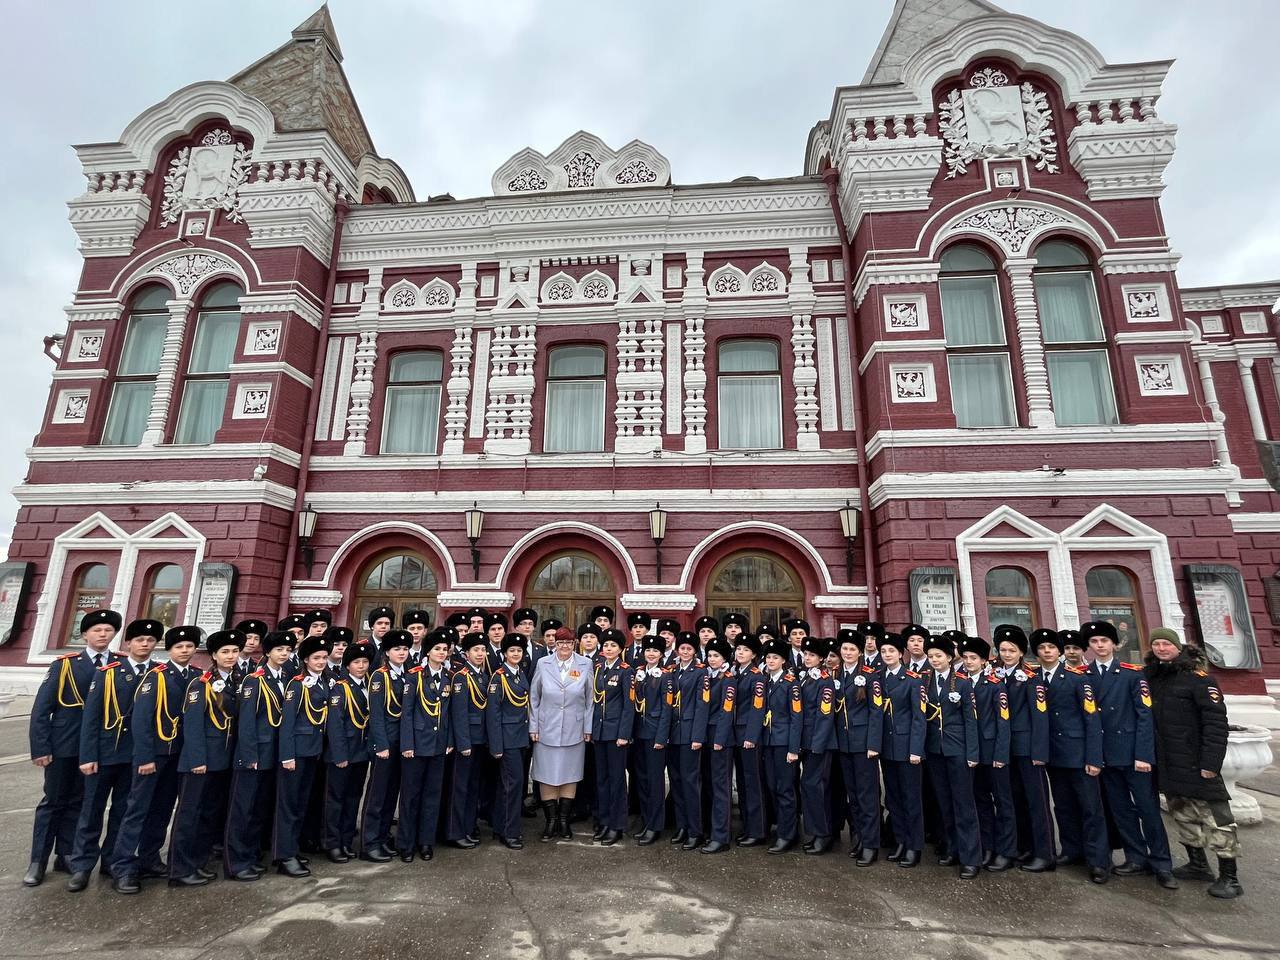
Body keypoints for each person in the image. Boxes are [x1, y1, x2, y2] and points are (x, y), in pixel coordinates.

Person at [25, 609, 122, 887]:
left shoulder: (117, 665)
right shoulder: (65, 665)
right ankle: (38, 860)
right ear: (85, 635)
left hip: (97, 748)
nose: (103, 635)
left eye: (107, 630)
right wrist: (40, 748)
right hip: (64, 745)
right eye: (96, 630)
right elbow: (42, 710)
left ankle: (66, 853)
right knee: (53, 802)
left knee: (80, 802)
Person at [1145, 627, 1242, 899]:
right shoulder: (1154, 678)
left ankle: (1230, 876)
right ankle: (1198, 864)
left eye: (1166, 644)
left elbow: (1215, 723)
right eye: (1157, 644)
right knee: (1183, 814)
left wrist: (1211, 762)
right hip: (1169, 761)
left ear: (1178, 647)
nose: (1161, 648)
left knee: (1217, 820)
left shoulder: (1200, 680)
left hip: (1198, 761)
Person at [67, 618, 158, 892]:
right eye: (139, 640)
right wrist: (87, 755)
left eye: (150, 640)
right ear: (128, 643)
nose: (145, 644)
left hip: (136, 755)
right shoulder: (108, 672)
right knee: (91, 810)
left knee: (124, 810)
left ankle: (113, 861)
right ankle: (82, 866)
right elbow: (91, 718)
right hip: (106, 752)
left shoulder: (157, 673)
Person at [1083, 619, 1175, 889]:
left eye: (1104, 641)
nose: (1099, 646)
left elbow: (1144, 717)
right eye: (1094, 642)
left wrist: (1144, 755)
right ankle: (1135, 857)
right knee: (1120, 809)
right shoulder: (1086, 675)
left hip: (1134, 755)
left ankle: (1162, 863)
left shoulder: (1132, 674)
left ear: (1115, 644)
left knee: (1148, 809)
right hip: (1106, 755)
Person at [111, 624, 201, 894]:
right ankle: (123, 867)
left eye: (189, 646)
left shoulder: (197, 677)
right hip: (155, 755)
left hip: (179, 756)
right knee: (137, 810)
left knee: (162, 810)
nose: (185, 651)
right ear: (169, 650)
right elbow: (140, 721)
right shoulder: (156, 676)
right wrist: (145, 756)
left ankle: (149, 858)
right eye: (179, 647)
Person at [168, 629, 245, 887]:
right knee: (190, 814)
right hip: (200, 761)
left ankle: (198, 862)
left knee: (210, 813)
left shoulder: (239, 680)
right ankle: (179, 869)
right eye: (225, 652)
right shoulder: (201, 683)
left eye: (234, 651)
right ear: (214, 655)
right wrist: (197, 759)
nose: (231, 656)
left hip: (225, 759)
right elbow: (192, 725)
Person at [1033, 627, 1109, 884]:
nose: (1047, 652)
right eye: (1042, 649)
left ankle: (1098, 860)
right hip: (1054, 755)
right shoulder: (1034, 679)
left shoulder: (1077, 679)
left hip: (1079, 754)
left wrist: (1094, 757)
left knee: (1091, 808)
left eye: (1051, 648)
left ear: (1059, 652)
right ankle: (1072, 849)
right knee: (1063, 806)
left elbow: (1092, 719)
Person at [223, 629, 294, 881]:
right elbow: (247, 722)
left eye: (287, 650)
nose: (284, 654)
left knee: (260, 808)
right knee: (243, 810)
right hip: (254, 754)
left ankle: (251, 856)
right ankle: (236, 863)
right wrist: (248, 755)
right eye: (279, 650)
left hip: (273, 754)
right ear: (268, 653)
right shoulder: (254, 680)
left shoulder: (286, 678)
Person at [991, 625, 1054, 873]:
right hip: (1004, 748)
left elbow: (1040, 718)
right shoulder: (994, 675)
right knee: (1012, 800)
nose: (1006, 654)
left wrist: (1039, 753)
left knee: (1036, 802)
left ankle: (1044, 853)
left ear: (1021, 653)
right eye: (1003, 649)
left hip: (1026, 749)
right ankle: (1020, 846)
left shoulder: (1030, 678)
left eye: (1011, 650)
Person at [273, 633, 332, 879]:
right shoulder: (297, 684)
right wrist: (287, 755)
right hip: (295, 753)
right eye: (316, 658)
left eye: (324, 657)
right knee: (288, 806)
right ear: (305, 659)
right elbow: (287, 723)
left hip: (312, 752)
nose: (321, 662)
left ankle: (292, 849)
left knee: (300, 805)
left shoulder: (323, 682)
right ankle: (283, 856)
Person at [528, 626, 594, 839]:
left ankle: (564, 821)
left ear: (574, 643)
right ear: (554, 644)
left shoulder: (585, 664)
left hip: (574, 729)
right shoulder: (543, 663)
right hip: (547, 728)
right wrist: (534, 726)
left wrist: (587, 727)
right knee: (547, 775)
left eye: (568, 642)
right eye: (560, 642)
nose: (564, 646)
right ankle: (551, 821)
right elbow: (534, 697)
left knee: (570, 775)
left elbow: (590, 698)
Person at [867, 633, 926, 867]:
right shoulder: (878, 678)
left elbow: (919, 718)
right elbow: (875, 713)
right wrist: (874, 745)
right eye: (883, 651)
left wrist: (916, 750)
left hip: (907, 747)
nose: (887, 655)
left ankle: (915, 846)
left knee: (912, 798)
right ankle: (901, 841)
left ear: (901, 654)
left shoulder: (913, 679)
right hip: (887, 747)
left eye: (891, 651)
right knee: (893, 798)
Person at [959, 636, 1015, 872]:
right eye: (966, 658)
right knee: (980, 800)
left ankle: (1006, 850)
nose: (969, 662)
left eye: (974, 658)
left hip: (992, 750)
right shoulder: (959, 683)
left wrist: (1001, 754)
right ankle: (987, 845)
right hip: (972, 752)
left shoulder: (994, 684)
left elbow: (1003, 721)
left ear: (984, 661)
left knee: (1003, 802)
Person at [399, 631, 455, 862]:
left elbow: (449, 713)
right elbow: (407, 713)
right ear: (428, 651)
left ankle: (426, 842)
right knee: (411, 796)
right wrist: (408, 744)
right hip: (417, 745)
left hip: (438, 745)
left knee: (432, 796)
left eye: (444, 649)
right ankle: (406, 844)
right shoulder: (414, 677)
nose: (441, 653)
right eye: (437, 649)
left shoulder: (448, 677)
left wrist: (450, 740)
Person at [833, 628, 881, 866]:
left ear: (860, 652)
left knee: (867, 796)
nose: (848, 652)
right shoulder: (835, 674)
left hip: (864, 745)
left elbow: (876, 712)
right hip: (844, 744)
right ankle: (859, 838)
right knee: (853, 795)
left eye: (852, 649)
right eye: (845, 649)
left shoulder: (870, 676)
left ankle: (871, 844)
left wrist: (873, 744)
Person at [363, 629, 412, 862]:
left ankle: (383, 836)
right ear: (387, 652)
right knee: (377, 795)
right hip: (385, 743)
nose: (401, 653)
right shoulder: (379, 677)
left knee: (392, 793)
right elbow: (377, 715)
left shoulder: (407, 675)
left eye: (404, 649)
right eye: (396, 649)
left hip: (401, 742)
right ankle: (369, 842)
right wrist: (381, 745)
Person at [324, 641, 374, 863]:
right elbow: (335, 725)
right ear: (348, 665)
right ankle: (332, 843)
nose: (361, 666)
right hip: (343, 754)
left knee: (354, 798)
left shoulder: (370, 686)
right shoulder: (340, 688)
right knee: (335, 800)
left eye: (364, 662)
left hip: (361, 753)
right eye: (356, 662)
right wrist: (340, 755)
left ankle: (345, 840)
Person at [663, 631, 708, 850]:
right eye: (682, 648)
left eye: (689, 648)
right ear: (677, 650)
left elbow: (702, 705)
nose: (685, 652)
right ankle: (682, 825)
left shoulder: (701, 672)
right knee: (677, 781)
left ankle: (695, 829)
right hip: (673, 733)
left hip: (690, 733)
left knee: (691, 783)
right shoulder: (671, 670)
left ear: (695, 651)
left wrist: (698, 736)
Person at [486, 635, 531, 849]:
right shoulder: (499, 677)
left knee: (509, 785)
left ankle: (499, 826)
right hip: (506, 740)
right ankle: (509, 832)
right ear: (504, 653)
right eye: (512, 651)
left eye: (519, 651)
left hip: (519, 738)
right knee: (513, 785)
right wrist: (496, 746)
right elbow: (493, 715)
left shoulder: (520, 673)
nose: (515, 654)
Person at [590, 629, 633, 845]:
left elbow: (629, 705)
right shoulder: (598, 669)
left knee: (617, 781)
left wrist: (624, 734)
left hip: (616, 734)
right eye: (606, 645)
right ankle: (604, 821)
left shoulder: (626, 671)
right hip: (599, 732)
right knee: (602, 780)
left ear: (621, 649)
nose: (608, 649)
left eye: (613, 646)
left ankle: (617, 825)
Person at [759, 637, 802, 854]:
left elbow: (796, 717)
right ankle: (781, 827)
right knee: (772, 786)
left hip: (784, 743)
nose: (771, 661)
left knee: (785, 789)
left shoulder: (790, 684)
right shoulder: (765, 681)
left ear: (784, 660)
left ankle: (788, 834)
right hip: (768, 742)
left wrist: (794, 749)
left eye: (775, 657)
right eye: (768, 657)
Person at [447, 632, 490, 848]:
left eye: (483, 650)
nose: (480, 654)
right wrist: (463, 743)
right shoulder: (461, 678)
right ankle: (456, 831)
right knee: (460, 787)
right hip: (467, 742)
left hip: (480, 740)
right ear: (466, 654)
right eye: (476, 650)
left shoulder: (482, 676)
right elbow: (459, 713)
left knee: (473, 786)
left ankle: (469, 825)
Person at [797, 636, 836, 855]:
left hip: (818, 743)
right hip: (806, 741)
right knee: (808, 786)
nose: (807, 658)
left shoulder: (824, 680)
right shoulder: (805, 679)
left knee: (815, 786)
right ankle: (814, 832)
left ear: (821, 658)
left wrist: (817, 745)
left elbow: (825, 715)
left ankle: (823, 834)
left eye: (812, 655)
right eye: (806, 654)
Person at [730, 633, 767, 848]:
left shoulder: (757, 677)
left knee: (753, 783)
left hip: (748, 736)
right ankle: (747, 826)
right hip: (735, 734)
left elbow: (757, 708)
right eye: (738, 649)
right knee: (743, 784)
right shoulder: (735, 673)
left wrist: (751, 737)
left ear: (753, 654)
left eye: (745, 650)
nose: (740, 653)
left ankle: (758, 829)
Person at [631, 634, 669, 844]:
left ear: (661, 654)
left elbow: (667, 709)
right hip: (639, 733)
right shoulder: (639, 673)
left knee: (655, 782)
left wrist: (661, 737)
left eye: (655, 651)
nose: (651, 654)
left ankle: (655, 826)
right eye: (648, 651)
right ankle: (646, 821)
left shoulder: (665, 676)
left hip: (655, 734)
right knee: (642, 780)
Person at [700, 636, 736, 854]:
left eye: (716, 656)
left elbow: (726, 711)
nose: (712, 659)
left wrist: (719, 741)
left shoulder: (728, 678)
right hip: (705, 735)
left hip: (720, 738)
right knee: (708, 785)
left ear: (725, 657)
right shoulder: (707, 675)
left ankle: (721, 836)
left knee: (721, 787)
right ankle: (709, 829)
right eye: (710, 655)